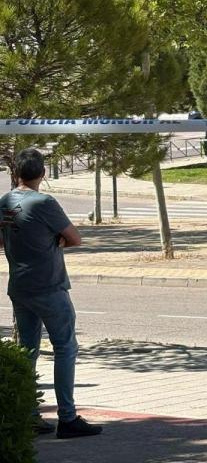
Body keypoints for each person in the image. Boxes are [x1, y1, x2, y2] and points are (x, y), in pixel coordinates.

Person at [0, 148, 102, 439]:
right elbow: (75, 238)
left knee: (27, 350)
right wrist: (53, 242)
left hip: (19, 286)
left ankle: (29, 414)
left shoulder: (5, 202)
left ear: (15, 173)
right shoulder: (44, 202)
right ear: (42, 174)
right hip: (49, 286)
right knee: (65, 348)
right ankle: (67, 418)